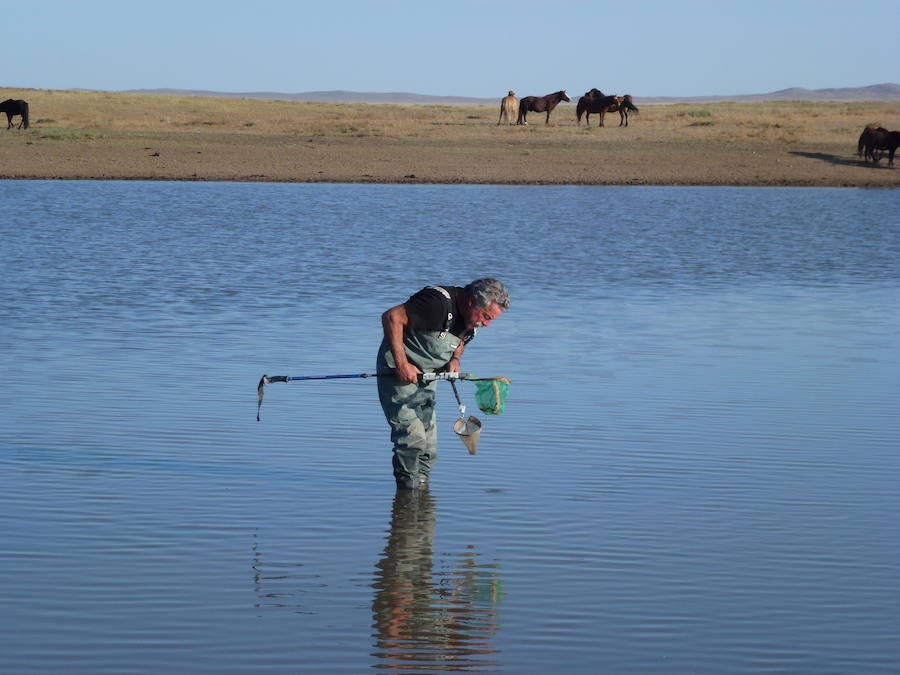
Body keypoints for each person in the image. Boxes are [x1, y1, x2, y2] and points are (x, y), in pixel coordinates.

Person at [377, 279, 510, 490]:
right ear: (471, 301)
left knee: (429, 447)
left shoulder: (471, 319)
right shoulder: (436, 303)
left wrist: (455, 360)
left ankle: (421, 498)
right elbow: (391, 317)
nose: (487, 324)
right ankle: (407, 503)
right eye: (486, 317)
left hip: (429, 378)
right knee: (411, 439)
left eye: (491, 320)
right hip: (398, 375)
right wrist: (402, 364)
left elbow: (460, 341)